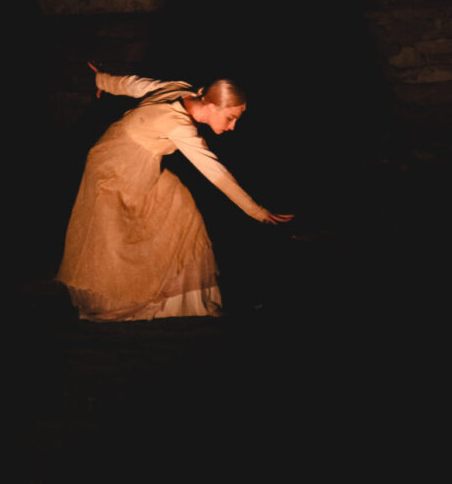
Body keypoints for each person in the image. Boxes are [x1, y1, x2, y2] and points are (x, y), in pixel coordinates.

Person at [56, 63, 292, 320]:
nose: (232, 126)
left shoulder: (180, 89)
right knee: (115, 236)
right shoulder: (179, 126)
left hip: (143, 166)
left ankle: (184, 303)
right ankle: (113, 303)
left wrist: (102, 80)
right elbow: (215, 173)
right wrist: (256, 211)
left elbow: (134, 84)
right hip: (112, 167)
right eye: (230, 118)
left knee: (184, 213)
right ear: (211, 106)